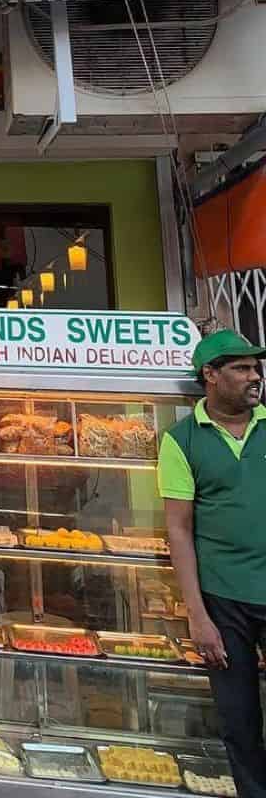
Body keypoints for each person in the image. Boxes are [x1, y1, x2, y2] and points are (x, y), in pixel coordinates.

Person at [160, 329, 266, 798]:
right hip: (224, 601)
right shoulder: (181, 440)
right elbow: (179, 529)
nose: (255, 376)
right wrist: (197, 615)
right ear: (210, 376)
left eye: (256, 367)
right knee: (240, 722)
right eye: (241, 368)